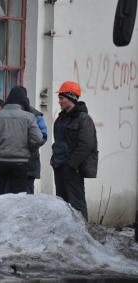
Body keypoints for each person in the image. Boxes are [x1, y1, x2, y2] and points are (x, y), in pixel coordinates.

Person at [0, 86, 43, 196]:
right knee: (18, 200)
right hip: (20, 163)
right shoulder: (29, 117)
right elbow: (38, 138)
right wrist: (27, 148)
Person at [51, 81, 98, 221]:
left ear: (71, 98)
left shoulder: (83, 119)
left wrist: (72, 165)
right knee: (62, 204)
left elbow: (86, 145)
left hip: (73, 169)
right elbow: (58, 142)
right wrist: (54, 161)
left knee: (76, 204)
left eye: (61, 98)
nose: (59, 101)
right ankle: (67, 238)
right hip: (60, 167)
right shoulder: (60, 119)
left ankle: (81, 237)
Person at [27, 106, 48, 194]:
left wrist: (29, 144)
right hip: (30, 160)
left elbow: (42, 137)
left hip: (31, 160)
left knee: (27, 191)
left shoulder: (36, 116)